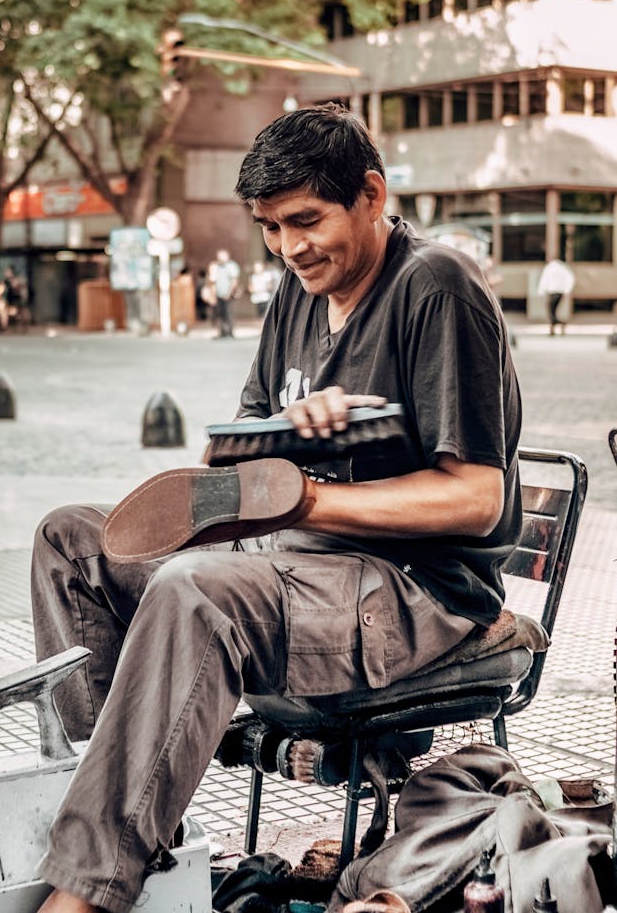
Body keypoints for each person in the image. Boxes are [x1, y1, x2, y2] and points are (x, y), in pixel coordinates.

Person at [32, 103, 522, 913]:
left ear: (371, 193)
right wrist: (276, 442)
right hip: (296, 569)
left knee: (193, 588)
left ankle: (83, 891)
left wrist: (312, 495)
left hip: (416, 594)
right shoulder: (296, 295)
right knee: (73, 542)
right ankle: (114, 805)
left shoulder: (435, 286)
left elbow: (477, 498)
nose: (290, 248)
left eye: (306, 220)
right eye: (269, 227)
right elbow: (241, 456)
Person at [537, 257, 575, 336]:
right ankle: (553, 329)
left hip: (553, 292)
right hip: (559, 292)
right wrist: (567, 290)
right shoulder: (563, 268)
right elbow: (570, 278)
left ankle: (560, 324)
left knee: (551, 312)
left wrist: (541, 291)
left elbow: (544, 280)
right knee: (552, 312)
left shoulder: (550, 268)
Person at [208, 247, 241, 337]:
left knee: (228, 313)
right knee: (219, 313)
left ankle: (230, 331)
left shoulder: (231, 266)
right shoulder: (216, 266)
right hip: (218, 294)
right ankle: (222, 331)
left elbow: (234, 281)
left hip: (228, 294)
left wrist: (229, 293)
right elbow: (212, 280)